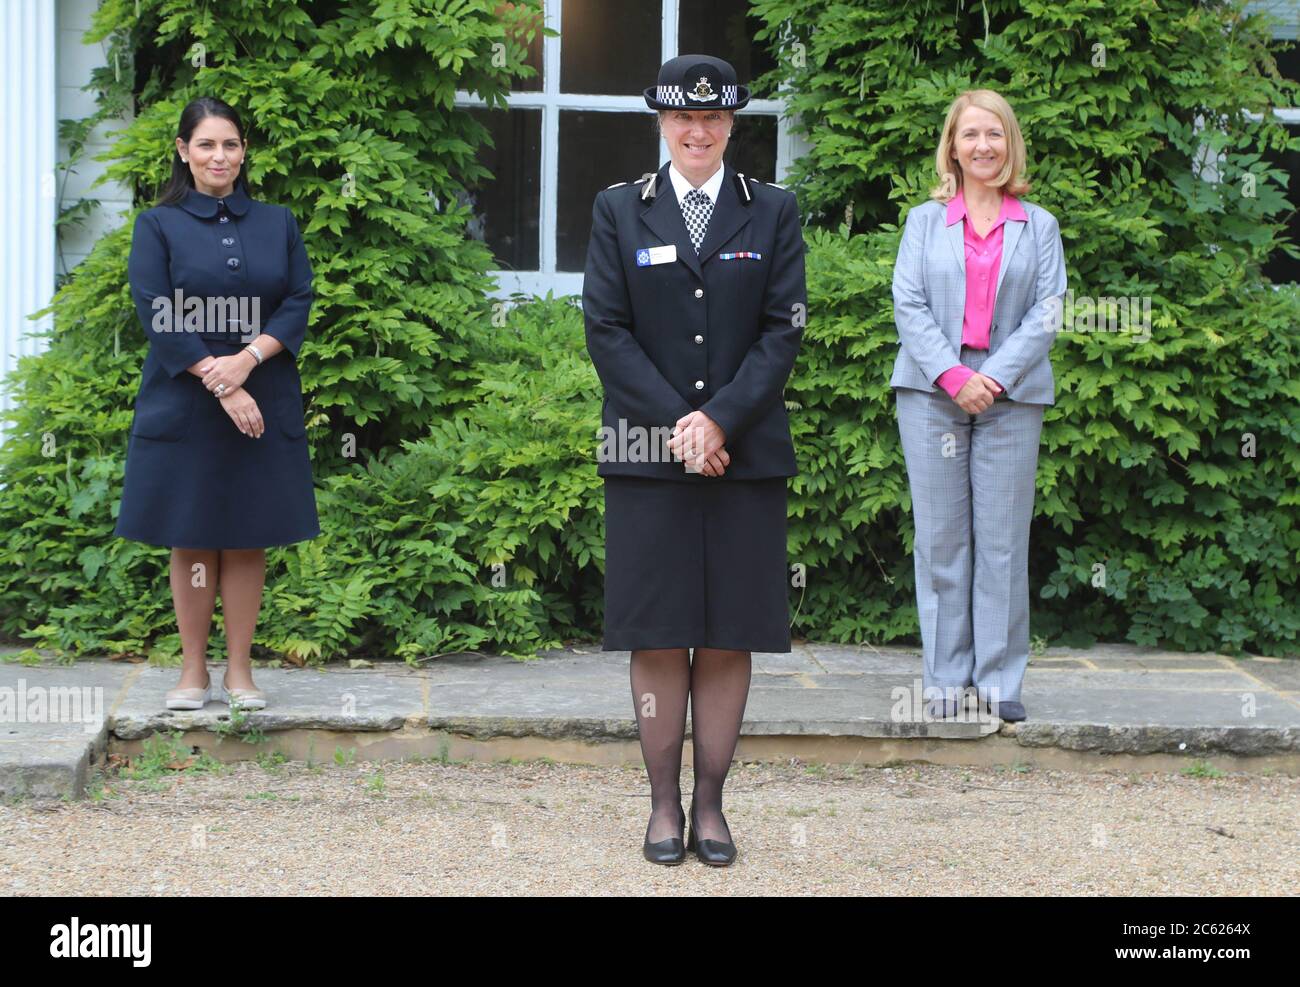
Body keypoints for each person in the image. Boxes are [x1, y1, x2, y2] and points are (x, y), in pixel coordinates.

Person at [583, 54, 806, 865]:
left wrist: (720, 419)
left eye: (712, 119)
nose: (697, 131)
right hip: (646, 451)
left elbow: (785, 329)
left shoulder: (772, 210)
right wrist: (684, 422)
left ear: (732, 125)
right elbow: (605, 329)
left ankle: (711, 804)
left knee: (725, 632)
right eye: (683, 118)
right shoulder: (620, 209)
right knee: (658, 629)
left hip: (745, 452)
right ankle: (660, 806)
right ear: (662, 124)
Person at [114, 97, 318, 711]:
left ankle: (240, 673)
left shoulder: (278, 221)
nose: (218, 156)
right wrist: (217, 377)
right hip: (187, 399)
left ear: (243, 150)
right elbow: (155, 306)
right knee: (192, 535)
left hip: (265, 389)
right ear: (183, 151)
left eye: (229, 144)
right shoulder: (158, 224)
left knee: (249, 533)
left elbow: (298, 300)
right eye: (205, 145)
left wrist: (246, 362)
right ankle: (192, 672)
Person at [890, 89, 1067, 723]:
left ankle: (997, 680)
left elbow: (1048, 312)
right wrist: (953, 374)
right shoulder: (922, 222)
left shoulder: (1038, 225)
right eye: (971, 135)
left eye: (994, 134)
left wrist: (990, 378)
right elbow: (907, 305)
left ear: (1009, 144)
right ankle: (943, 682)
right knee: (940, 540)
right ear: (953, 147)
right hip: (932, 393)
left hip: (1011, 396)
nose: (983, 146)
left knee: (1002, 541)